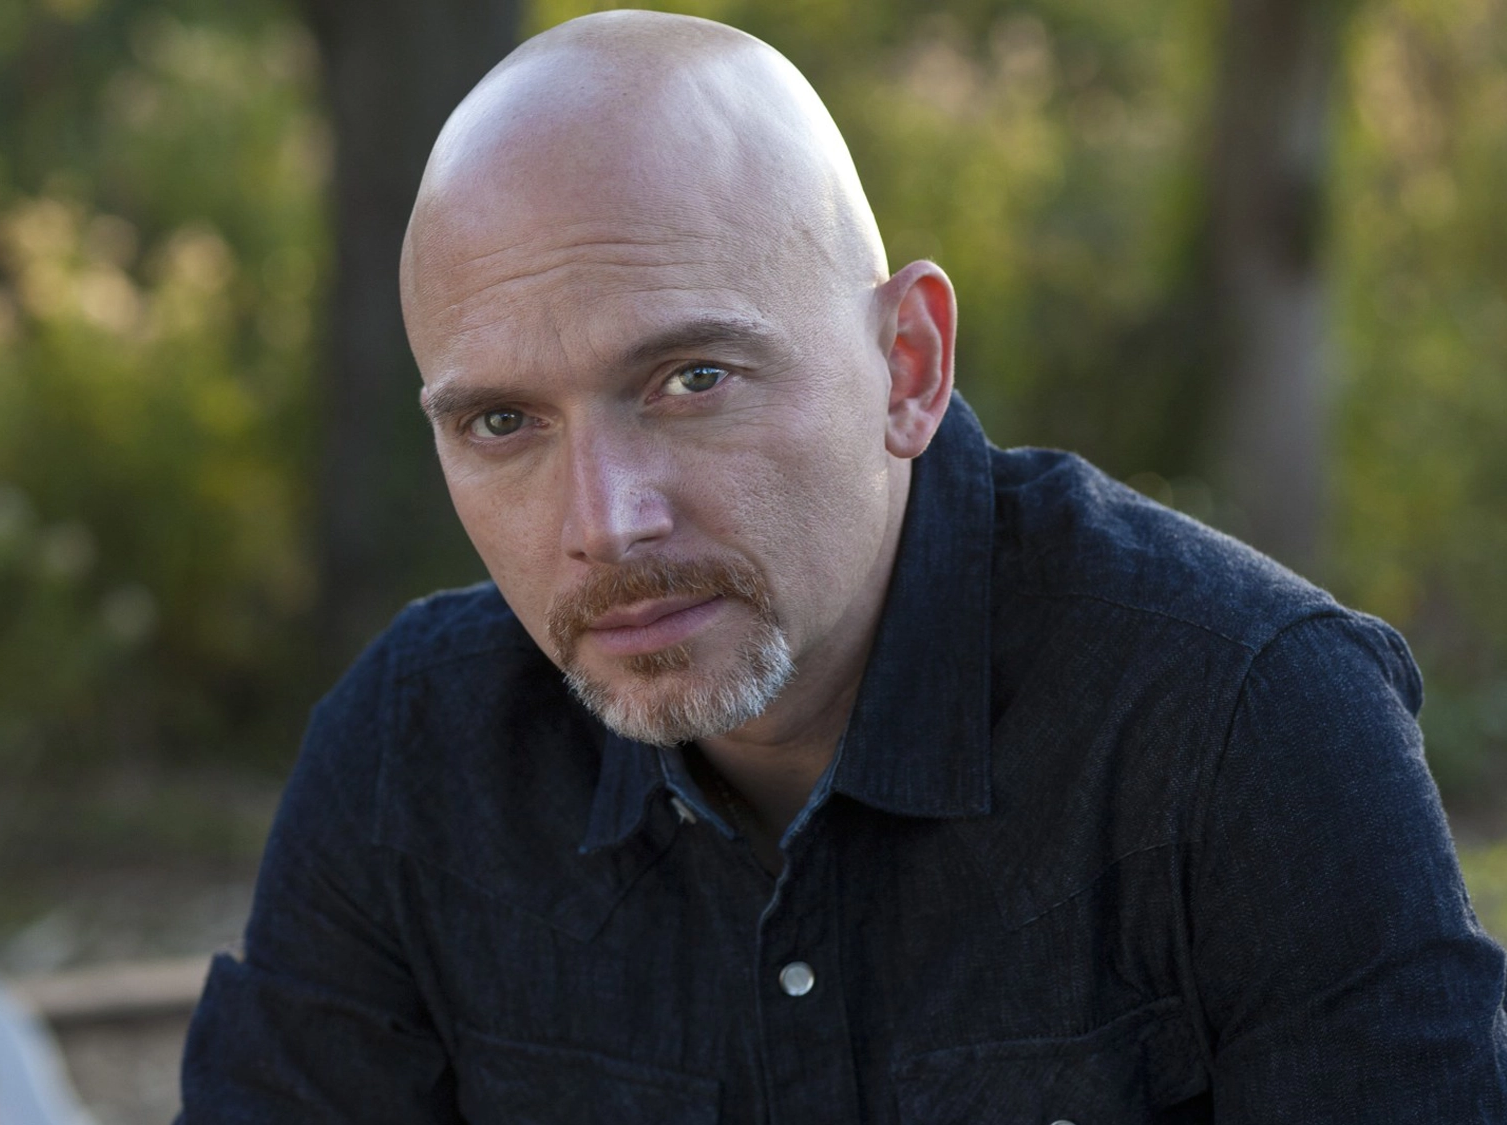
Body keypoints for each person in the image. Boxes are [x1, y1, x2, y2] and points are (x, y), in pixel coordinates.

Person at [179, 10, 1507, 1122]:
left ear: (909, 367)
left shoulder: (1249, 727)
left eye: (694, 378)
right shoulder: (415, 758)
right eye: (503, 422)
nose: (606, 521)